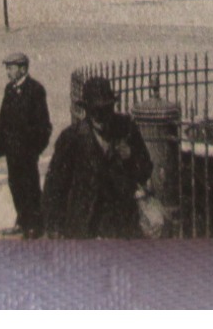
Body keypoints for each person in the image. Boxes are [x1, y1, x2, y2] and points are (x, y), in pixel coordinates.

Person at [42, 75, 152, 239]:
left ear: (112, 107)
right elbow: (55, 186)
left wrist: (130, 157)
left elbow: (146, 170)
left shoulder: (126, 128)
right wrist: (54, 227)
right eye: (95, 111)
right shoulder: (71, 138)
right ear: (87, 109)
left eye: (106, 110)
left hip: (121, 225)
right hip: (84, 226)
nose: (100, 116)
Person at [0, 52, 52, 238]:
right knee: (15, 185)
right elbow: (3, 118)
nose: (7, 72)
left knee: (30, 186)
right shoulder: (9, 89)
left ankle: (34, 224)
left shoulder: (35, 90)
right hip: (13, 150)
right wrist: (2, 143)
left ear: (23, 69)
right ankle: (22, 220)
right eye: (7, 68)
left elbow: (44, 125)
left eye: (10, 68)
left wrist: (35, 149)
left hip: (27, 151)